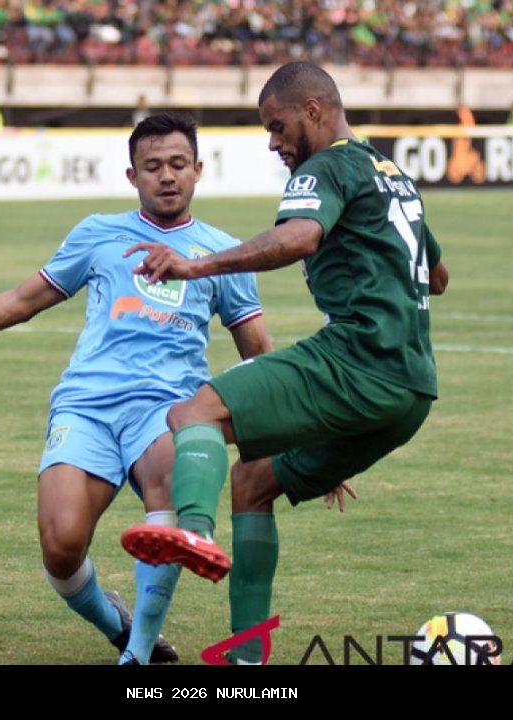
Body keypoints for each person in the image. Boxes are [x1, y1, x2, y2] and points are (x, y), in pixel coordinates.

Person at [0, 112, 273, 664]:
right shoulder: (98, 233)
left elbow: (259, 354)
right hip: (86, 406)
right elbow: (19, 303)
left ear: (199, 170)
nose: (167, 176)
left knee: (166, 477)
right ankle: (119, 626)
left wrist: (300, 435)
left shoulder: (224, 252)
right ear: (132, 176)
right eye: (152, 167)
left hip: (169, 407)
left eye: (178, 164)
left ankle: (140, 657)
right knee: (60, 547)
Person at [120, 62, 449, 664]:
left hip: (357, 360)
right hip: (411, 392)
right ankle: (248, 665)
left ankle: (192, 528)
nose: (275, 144)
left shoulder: (327, 166)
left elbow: (298, 238)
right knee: (253, 479)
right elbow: (439, 276)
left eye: (277, 127)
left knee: (196, 410)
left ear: (314, 111)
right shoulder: (394, 174)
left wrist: (197, 265)